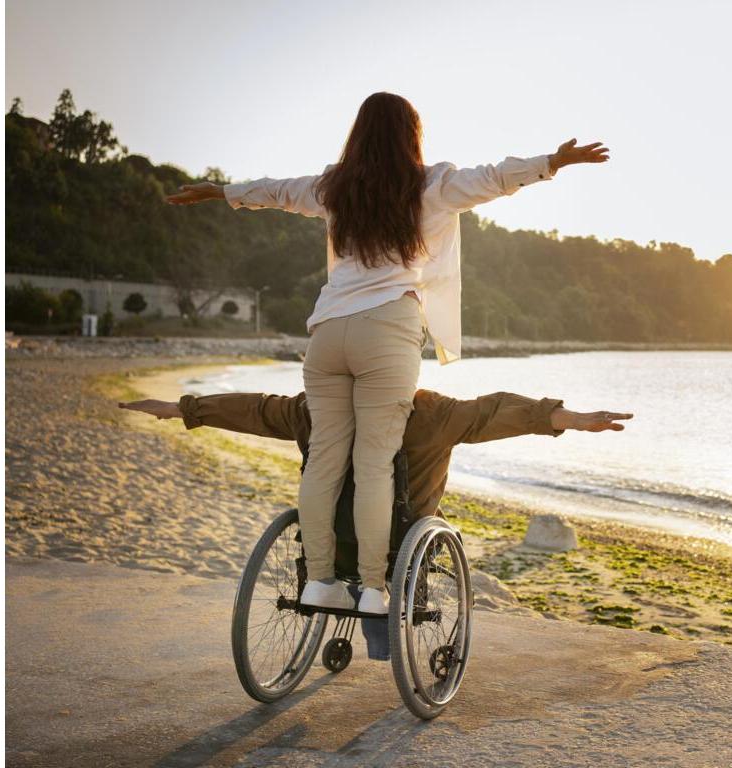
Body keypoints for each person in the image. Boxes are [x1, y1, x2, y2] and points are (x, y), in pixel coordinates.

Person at [166, 92, 610, 613]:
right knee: (374, 463)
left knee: (324, 462)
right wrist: (552, 163)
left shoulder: (335, 187)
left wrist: (223, 191)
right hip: (388, 329)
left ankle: (320, 581)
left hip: (327, 331)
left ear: (359, 133)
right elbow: (493, 178)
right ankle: (374, 590)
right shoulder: (431, 184)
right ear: (411, 135)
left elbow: (278, 191)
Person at [119, 389, 631, 577]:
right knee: (416, 528)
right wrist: (567, 418)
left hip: (332, 539)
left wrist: (181, 408)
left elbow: (254, 410)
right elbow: (497, 411)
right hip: (402, 542)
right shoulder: (431, 413)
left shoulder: (315, 409)